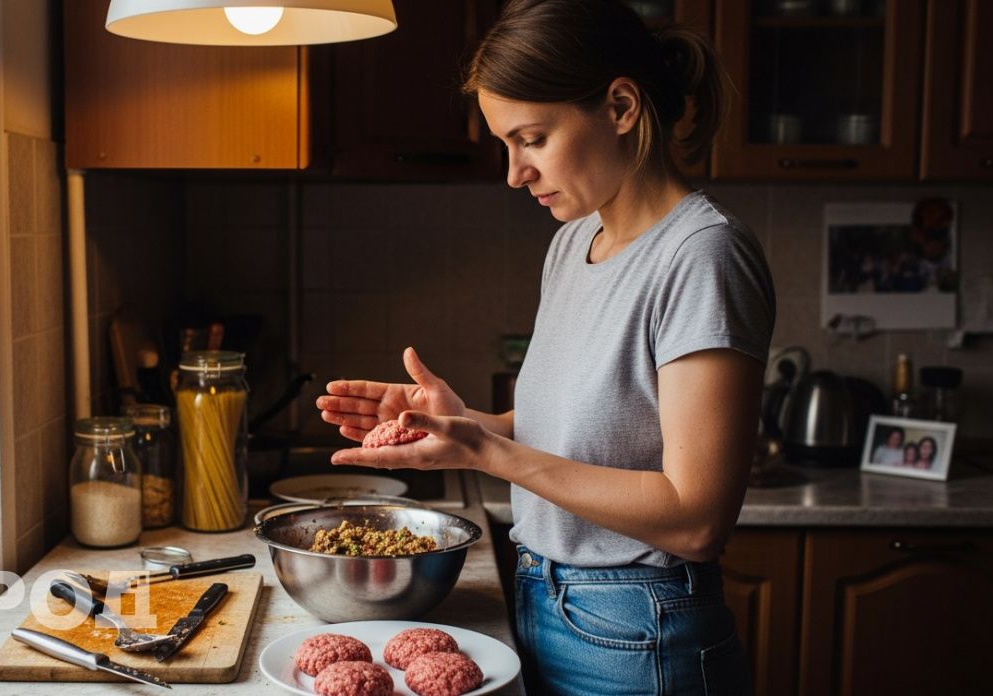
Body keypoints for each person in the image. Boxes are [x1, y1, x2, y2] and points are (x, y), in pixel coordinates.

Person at [315, 1, 773, 693]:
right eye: (506, 144)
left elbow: (696, 518)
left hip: (638, 631)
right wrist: (462, 425)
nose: (514, 173)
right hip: (542, 598)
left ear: (620, 106)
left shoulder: (701, 255)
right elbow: (575, 440)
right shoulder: (571, 243)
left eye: (532, 138)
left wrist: (486, 451)